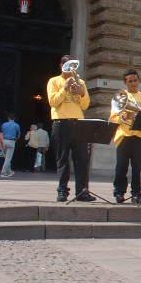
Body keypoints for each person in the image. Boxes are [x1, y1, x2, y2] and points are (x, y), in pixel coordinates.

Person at [110, 69, 141, 204]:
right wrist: (124, 117)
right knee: (121, 166)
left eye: (135, 80)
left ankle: (136, 194)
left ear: (139, 81)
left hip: (140, 136)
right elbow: (113, 117)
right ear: (125, 83)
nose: (133, 83)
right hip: (124, 136)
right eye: (130, 81)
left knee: (137, 167)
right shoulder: (121, 96)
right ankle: (119, 192)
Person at [47, 55, 93, 202]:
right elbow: (53, 102)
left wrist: (82, 93)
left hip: (79, 123)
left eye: (73, 66)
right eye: (68, 65)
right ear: (61, 66)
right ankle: (62, 191)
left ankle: (82, 192)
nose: (71, 69)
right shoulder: (54, 81)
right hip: (61, 123)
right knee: (62, 159)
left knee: (82, 159)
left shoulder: (81, 82)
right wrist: (65, 88)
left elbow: (85, 105)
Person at [0, 113, 20, 177]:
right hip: (11, 141)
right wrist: (15, 140)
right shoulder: (16, 125)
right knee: (8, 158)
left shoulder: (3, 124)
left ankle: (9, 171)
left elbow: (0, 133)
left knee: (6, 157)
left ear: (8, 118)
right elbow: (18, 135)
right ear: (14, 118)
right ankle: (3, 172)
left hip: (3, 141)